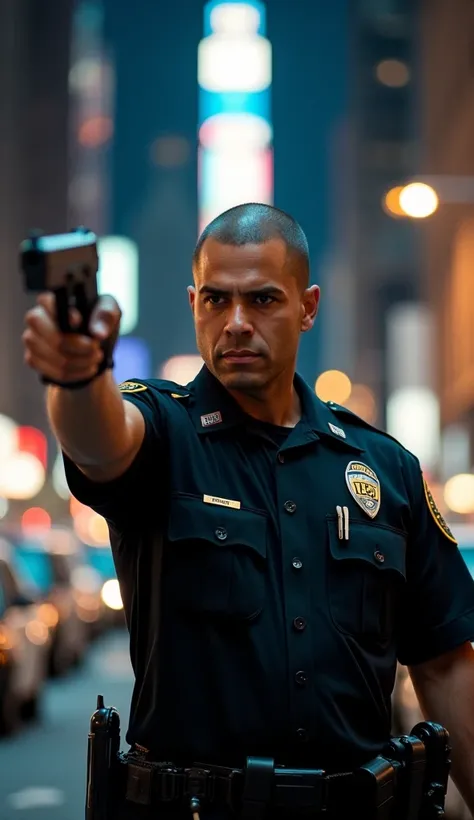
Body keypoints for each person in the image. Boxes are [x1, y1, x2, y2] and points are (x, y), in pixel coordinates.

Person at [22, 203, 474, 819]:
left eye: (262, 300)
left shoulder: (385, 467)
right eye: (215, 300)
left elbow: (445, 662)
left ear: (308, 306)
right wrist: (77, 377)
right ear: (193, 304)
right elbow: (99, 441)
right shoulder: (165, 432)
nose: (235, 323)